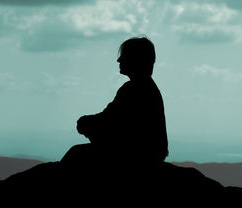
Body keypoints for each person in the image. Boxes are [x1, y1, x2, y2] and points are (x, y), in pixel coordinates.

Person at [62, 36, 168, 166]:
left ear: (135, 59)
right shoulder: (146, 87)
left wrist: (85, 122)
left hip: (138, 156)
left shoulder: (133, 89)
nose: (119, 60)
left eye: (124, 56)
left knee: (76, 153)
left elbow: (108, 120)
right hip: (150, 154)